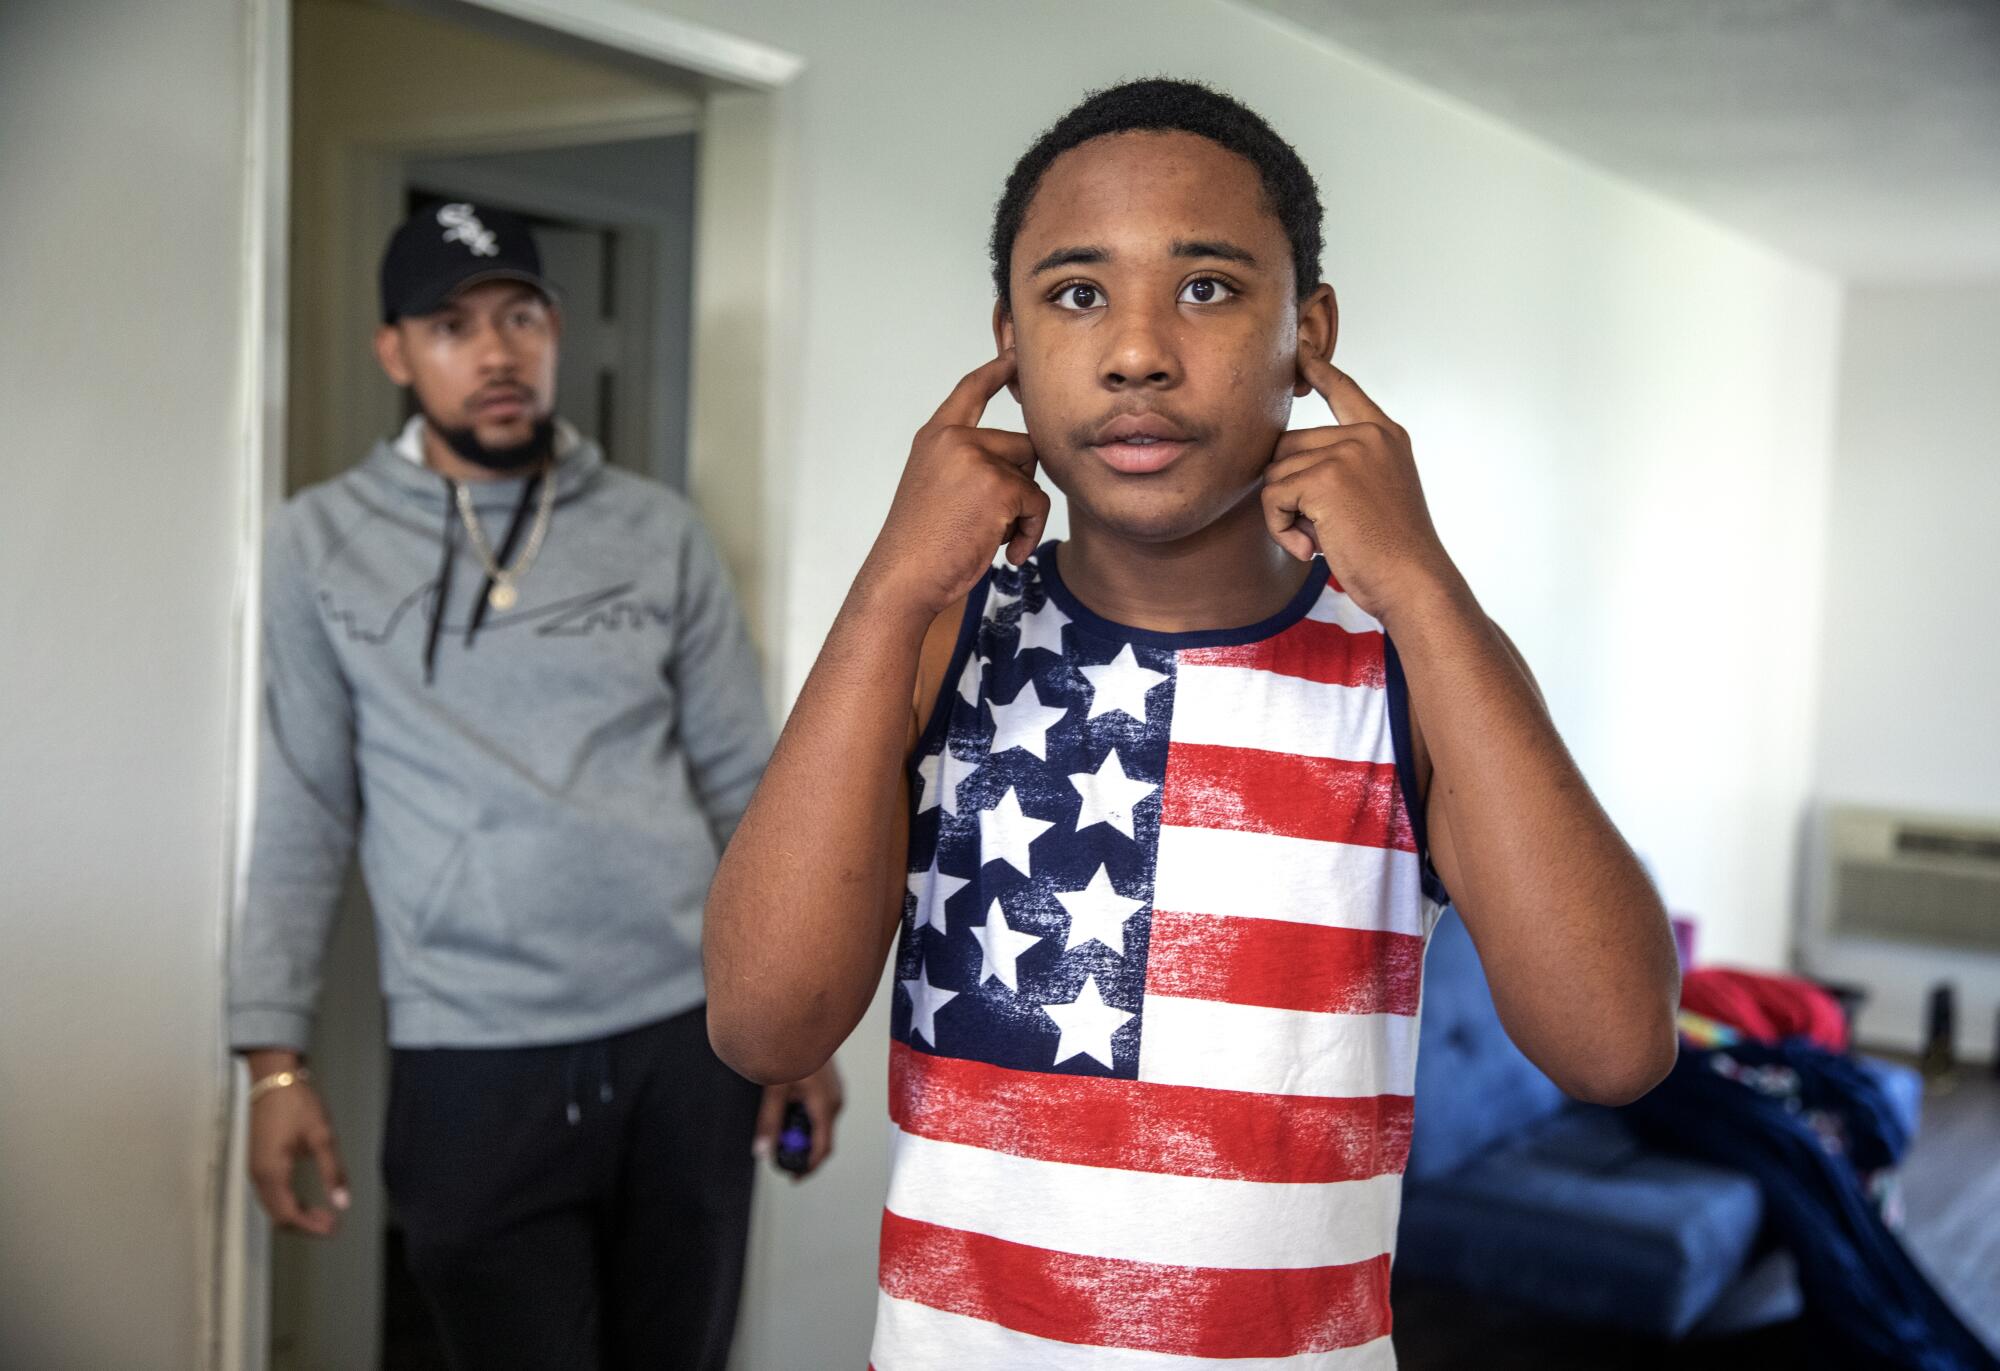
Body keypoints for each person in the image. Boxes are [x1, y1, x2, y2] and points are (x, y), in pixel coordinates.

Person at [702, 79, 1681, 1366]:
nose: (1136, 351)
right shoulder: (936, 636)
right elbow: (763, 1026)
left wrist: (1426, 585)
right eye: (1075, 292)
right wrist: (886, 589)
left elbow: (1613, 1048)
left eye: (1208, 288)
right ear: (1006, 338)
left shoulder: (1408, 661)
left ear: (1308, 329)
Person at [230, 201, 840, 1371]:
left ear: (555, 329)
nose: (497, 352)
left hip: (687, 1037)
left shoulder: (657, 531)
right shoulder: (319, 544)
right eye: (452, 325)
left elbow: (742, 781)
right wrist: (274, 1060)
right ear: (395, 352)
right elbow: (308, 801)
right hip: (472, 1050)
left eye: (520, 315)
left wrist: (794, 1015)